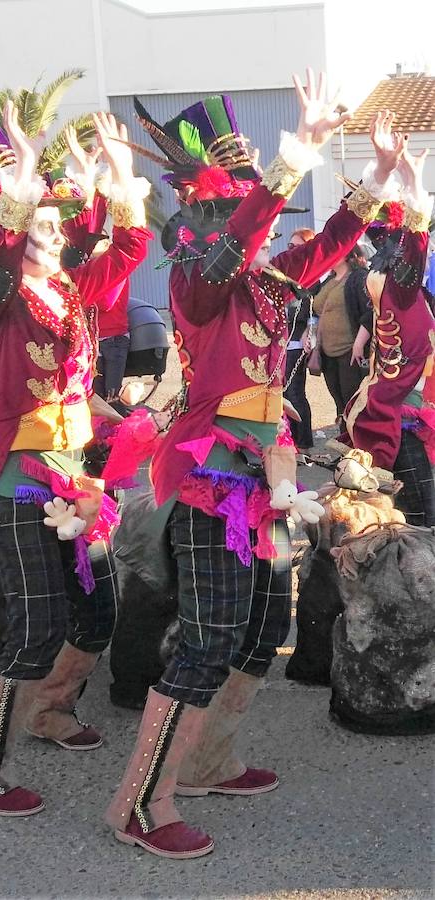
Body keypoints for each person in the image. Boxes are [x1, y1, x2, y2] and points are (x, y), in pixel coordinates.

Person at [105, 80, 402, 859]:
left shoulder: (267, 285)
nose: (257, 227)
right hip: (213, 476)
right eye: (232, 207)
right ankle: (141, 802)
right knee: (207, 638)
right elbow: (246, 234)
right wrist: (294, 151)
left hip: (265, 475)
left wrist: (377, 179)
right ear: (206, 219)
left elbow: (333, 241)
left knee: (264, 626)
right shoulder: (198, 284)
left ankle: (205, 761)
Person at [0, 103, 151, 817]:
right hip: (17, 483)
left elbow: (126, 252)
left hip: (75, 474)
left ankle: (51, 710)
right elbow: (2, 254)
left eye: (57, 222)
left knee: (98, 610)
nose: (55, 230)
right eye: (41, 222)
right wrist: (24, 183)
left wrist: (122, 178)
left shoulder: (67, 293)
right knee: (32, 628)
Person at [345, 145, 434, 524]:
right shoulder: (399, 286)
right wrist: (414, 184)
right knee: (422, 517)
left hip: (400, 404)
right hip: (402, 415)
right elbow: (416, 251)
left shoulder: (394, 286)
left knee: (415, 515)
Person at [312, 243, 372, 424]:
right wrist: (311, 336)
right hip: (328, 352)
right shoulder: (328, 281)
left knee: (353, 402)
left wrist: (359, 344)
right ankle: (345, 442)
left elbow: (370, 312)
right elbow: (317, 312)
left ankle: (356, 447)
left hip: (350, 351)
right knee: (339, 403)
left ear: (347, 254)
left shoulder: (359, 278)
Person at [282, 226, 316, 450]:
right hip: (282, 345)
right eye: (289, 246)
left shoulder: (312, 280)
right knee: (285, 393)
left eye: (297, 247)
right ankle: (292, 440)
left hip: (297, 344)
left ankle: (303, 441)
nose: (292, 250)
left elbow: (315, 314)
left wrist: (309, 336)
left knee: (295, 392)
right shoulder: (285, 278)